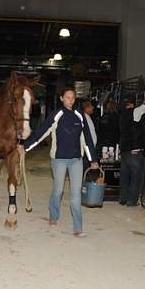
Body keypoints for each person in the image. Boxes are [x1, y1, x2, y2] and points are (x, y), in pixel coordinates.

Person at [21, 88, 98, 237]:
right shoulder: (57, 115)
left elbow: (87, 139)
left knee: (76, 195)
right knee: (59, 190)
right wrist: (25, 146)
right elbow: (41, 132)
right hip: (59, 160)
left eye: (73, 98)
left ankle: (78, 227)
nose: (70, 100)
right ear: (62, 98)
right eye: (67, 97)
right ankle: (54, 214)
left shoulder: (80, 116)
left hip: (76, 160)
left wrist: (93, 159)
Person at [118, 86, 145, 206]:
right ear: (132, 104)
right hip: (134, 151)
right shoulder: (135, 112)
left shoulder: (121, 115)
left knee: (124, 177)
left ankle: (123, 198)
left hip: (124, 151)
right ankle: (132, 201)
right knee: (135, 177)